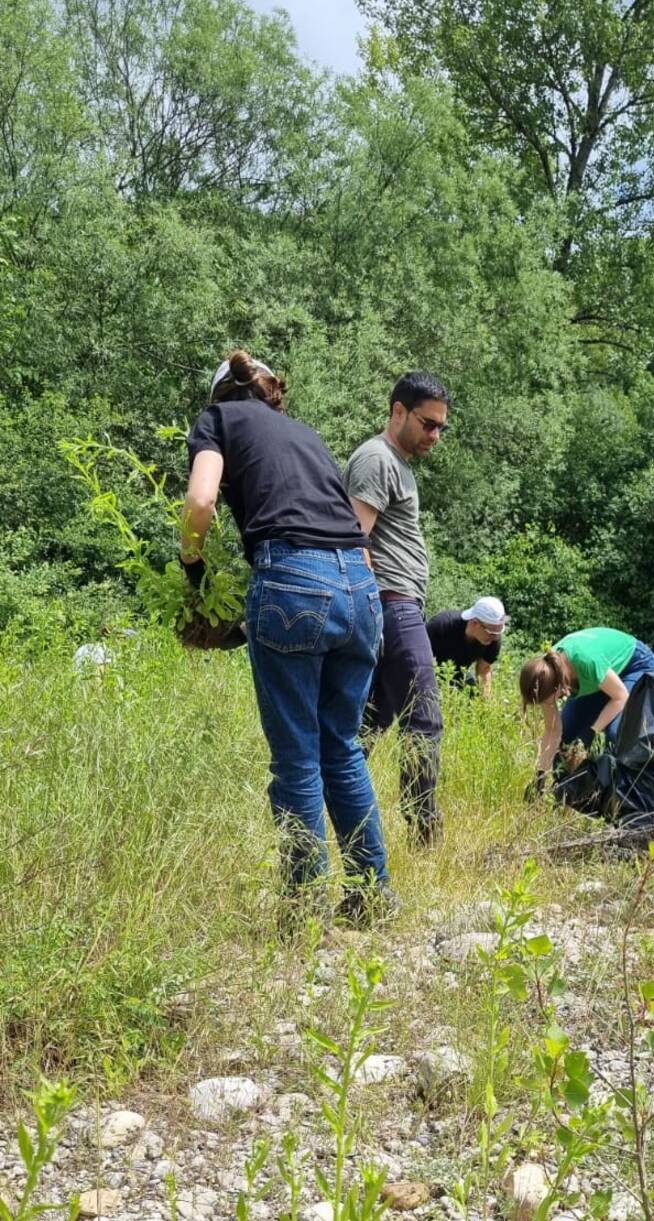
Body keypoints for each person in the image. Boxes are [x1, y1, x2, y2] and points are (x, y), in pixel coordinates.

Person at [181, 350, 394, 927]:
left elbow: (201, 501)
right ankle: (372, 898)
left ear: (220, 397)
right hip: (362, 590)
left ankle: (303, 912)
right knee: (342, 748)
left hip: (293, 577)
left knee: (298, 757)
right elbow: (349, 534)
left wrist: (191, 565)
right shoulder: (306, 433)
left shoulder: (218, 421)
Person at [345, 371, 450, 848]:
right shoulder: (376, 459)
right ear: (398, 411)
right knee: (423, 716)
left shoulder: (399, 464)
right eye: (427, 424)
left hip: (398, 603)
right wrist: (372, 611)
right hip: (391, 602)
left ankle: (342, 818)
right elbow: (352, 536)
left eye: (441, 428)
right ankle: (424, 833)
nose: (434, 435)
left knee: (366, 725)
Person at [519, 627, 654, 793]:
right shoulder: (543, 678)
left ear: (559, 686)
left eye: (548, 700)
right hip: (602, 677)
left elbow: (620, 697)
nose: (548, 704)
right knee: (568, 737)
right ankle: (565, 793)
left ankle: (615, 797)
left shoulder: (585, 662)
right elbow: (553, 730)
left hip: (635, 665)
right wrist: (540, 776)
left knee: (616, 734)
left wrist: (592, 731)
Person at [427, 596, 507, 696]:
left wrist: (485, 704)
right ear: (474, 623)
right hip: (429, 675)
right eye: (491, 632)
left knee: (474, 698)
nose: (496, 637)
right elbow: (417, 660)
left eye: (499, 632)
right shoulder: (441, 626)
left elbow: (484, 670)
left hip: (459, 676)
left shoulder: (493, 639)